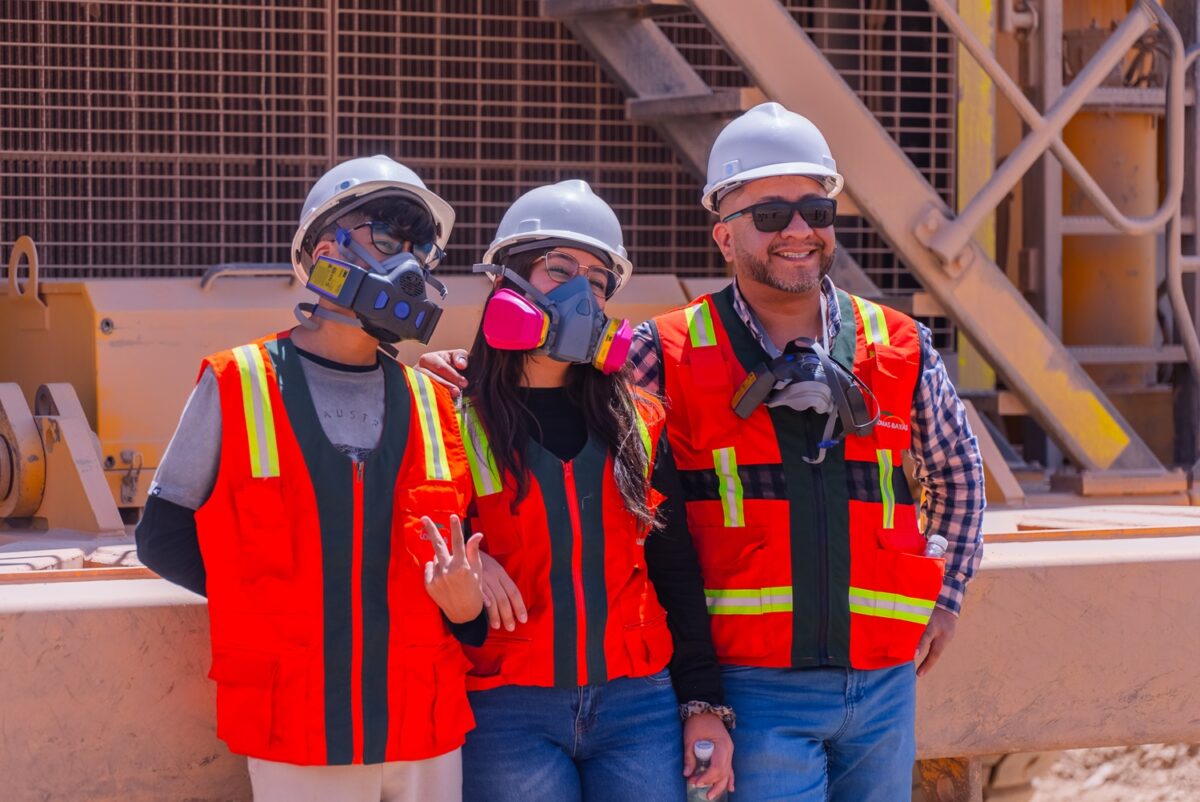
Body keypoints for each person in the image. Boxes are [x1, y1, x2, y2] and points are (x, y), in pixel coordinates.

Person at [420, 104, 985, 801]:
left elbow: (959, 472)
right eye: (772, 215)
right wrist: (461, 372)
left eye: (816, 209)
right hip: (753, 686)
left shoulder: (897, 343)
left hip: (884, 685)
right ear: (724, 235)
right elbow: (556, 398)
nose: (799, 230)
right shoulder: (665, 354)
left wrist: (947, 595)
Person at [136, 155, 487, 802]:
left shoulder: (435, 402)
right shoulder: (238, 383)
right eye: (387, 236)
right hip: (298, 728)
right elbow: (162, 537)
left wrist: (469, 609)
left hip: (426, 728)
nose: (408, 262)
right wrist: (273, 615)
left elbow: (460, 564)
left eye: (419, 245)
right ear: (327, 249)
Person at [447, 180, 734, 802]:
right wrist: (468, 572)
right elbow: (410, 544)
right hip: (507, 709)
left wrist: (703, 703)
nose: (582, 291)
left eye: (598, 281)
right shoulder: (448, 417)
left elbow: (674, 567)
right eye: (559, 269)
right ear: (506, 282)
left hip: (639, 705)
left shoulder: (640, 418)